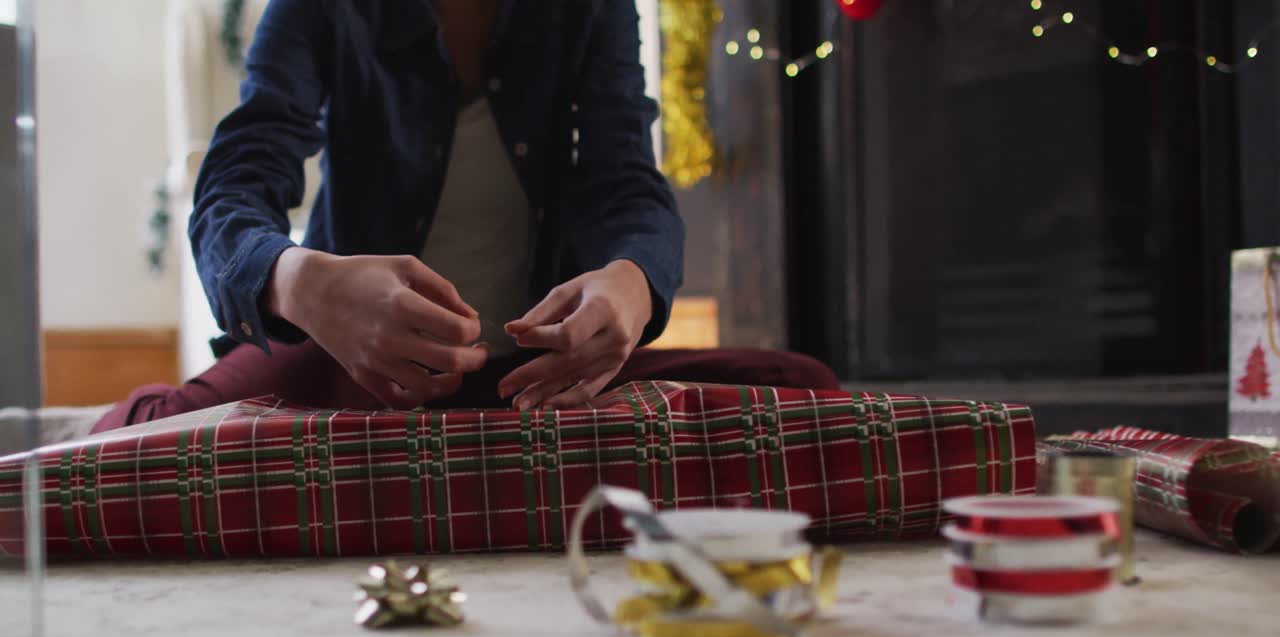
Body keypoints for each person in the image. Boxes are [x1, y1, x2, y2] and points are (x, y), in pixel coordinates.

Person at [95, 0, 838, 432]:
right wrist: (298, 284)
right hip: (351, 369)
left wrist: (632, 284)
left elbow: (624, 176)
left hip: (543, 380)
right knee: (137, 438)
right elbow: (236, 180)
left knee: (800, 385)